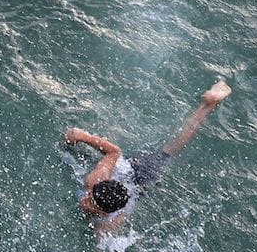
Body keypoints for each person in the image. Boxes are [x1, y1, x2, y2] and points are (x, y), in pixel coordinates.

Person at [64, 79, 232, 235]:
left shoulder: (110, 221)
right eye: (89, 195)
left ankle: (208, 104)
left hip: (142, 178)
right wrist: (82, 136)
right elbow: (115, 152)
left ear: (103, 213)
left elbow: (106, 246)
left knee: (169, 152)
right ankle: (207, 104)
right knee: (168, 151)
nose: (85, 198)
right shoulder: (95, 179)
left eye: (90, 201)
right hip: (131, 166)